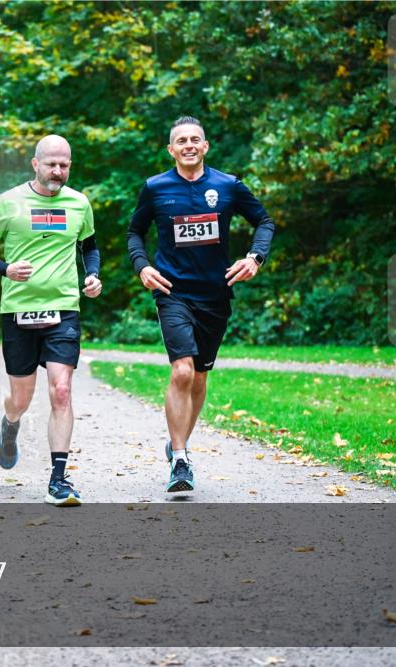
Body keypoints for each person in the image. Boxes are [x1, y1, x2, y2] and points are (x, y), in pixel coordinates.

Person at [127, 115, 275, 493]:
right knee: (182, 372)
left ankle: (179, 443)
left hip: (215, 293)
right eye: (181, 140)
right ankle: (180, 459)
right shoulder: (155, 188)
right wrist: (142, 267)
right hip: (173, 292)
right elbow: (134, 232)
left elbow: (265, 221)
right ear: (171, 149)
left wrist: (254, 258)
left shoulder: (228, 186)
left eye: (196, 139)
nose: (189, 145)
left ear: (205, 146)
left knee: (200, 376)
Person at [0, 135, 102, 507]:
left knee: (61, 390)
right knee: (21, 398)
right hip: (18, 312)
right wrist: (6, 268)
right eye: (51, 164)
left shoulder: (79, 204)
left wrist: (91, 276)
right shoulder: (9, 202)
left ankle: (58, 479)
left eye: (64, 165)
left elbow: (89, 247)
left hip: (63, 310)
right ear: (35, 164)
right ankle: (10, 424)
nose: (57, 171)